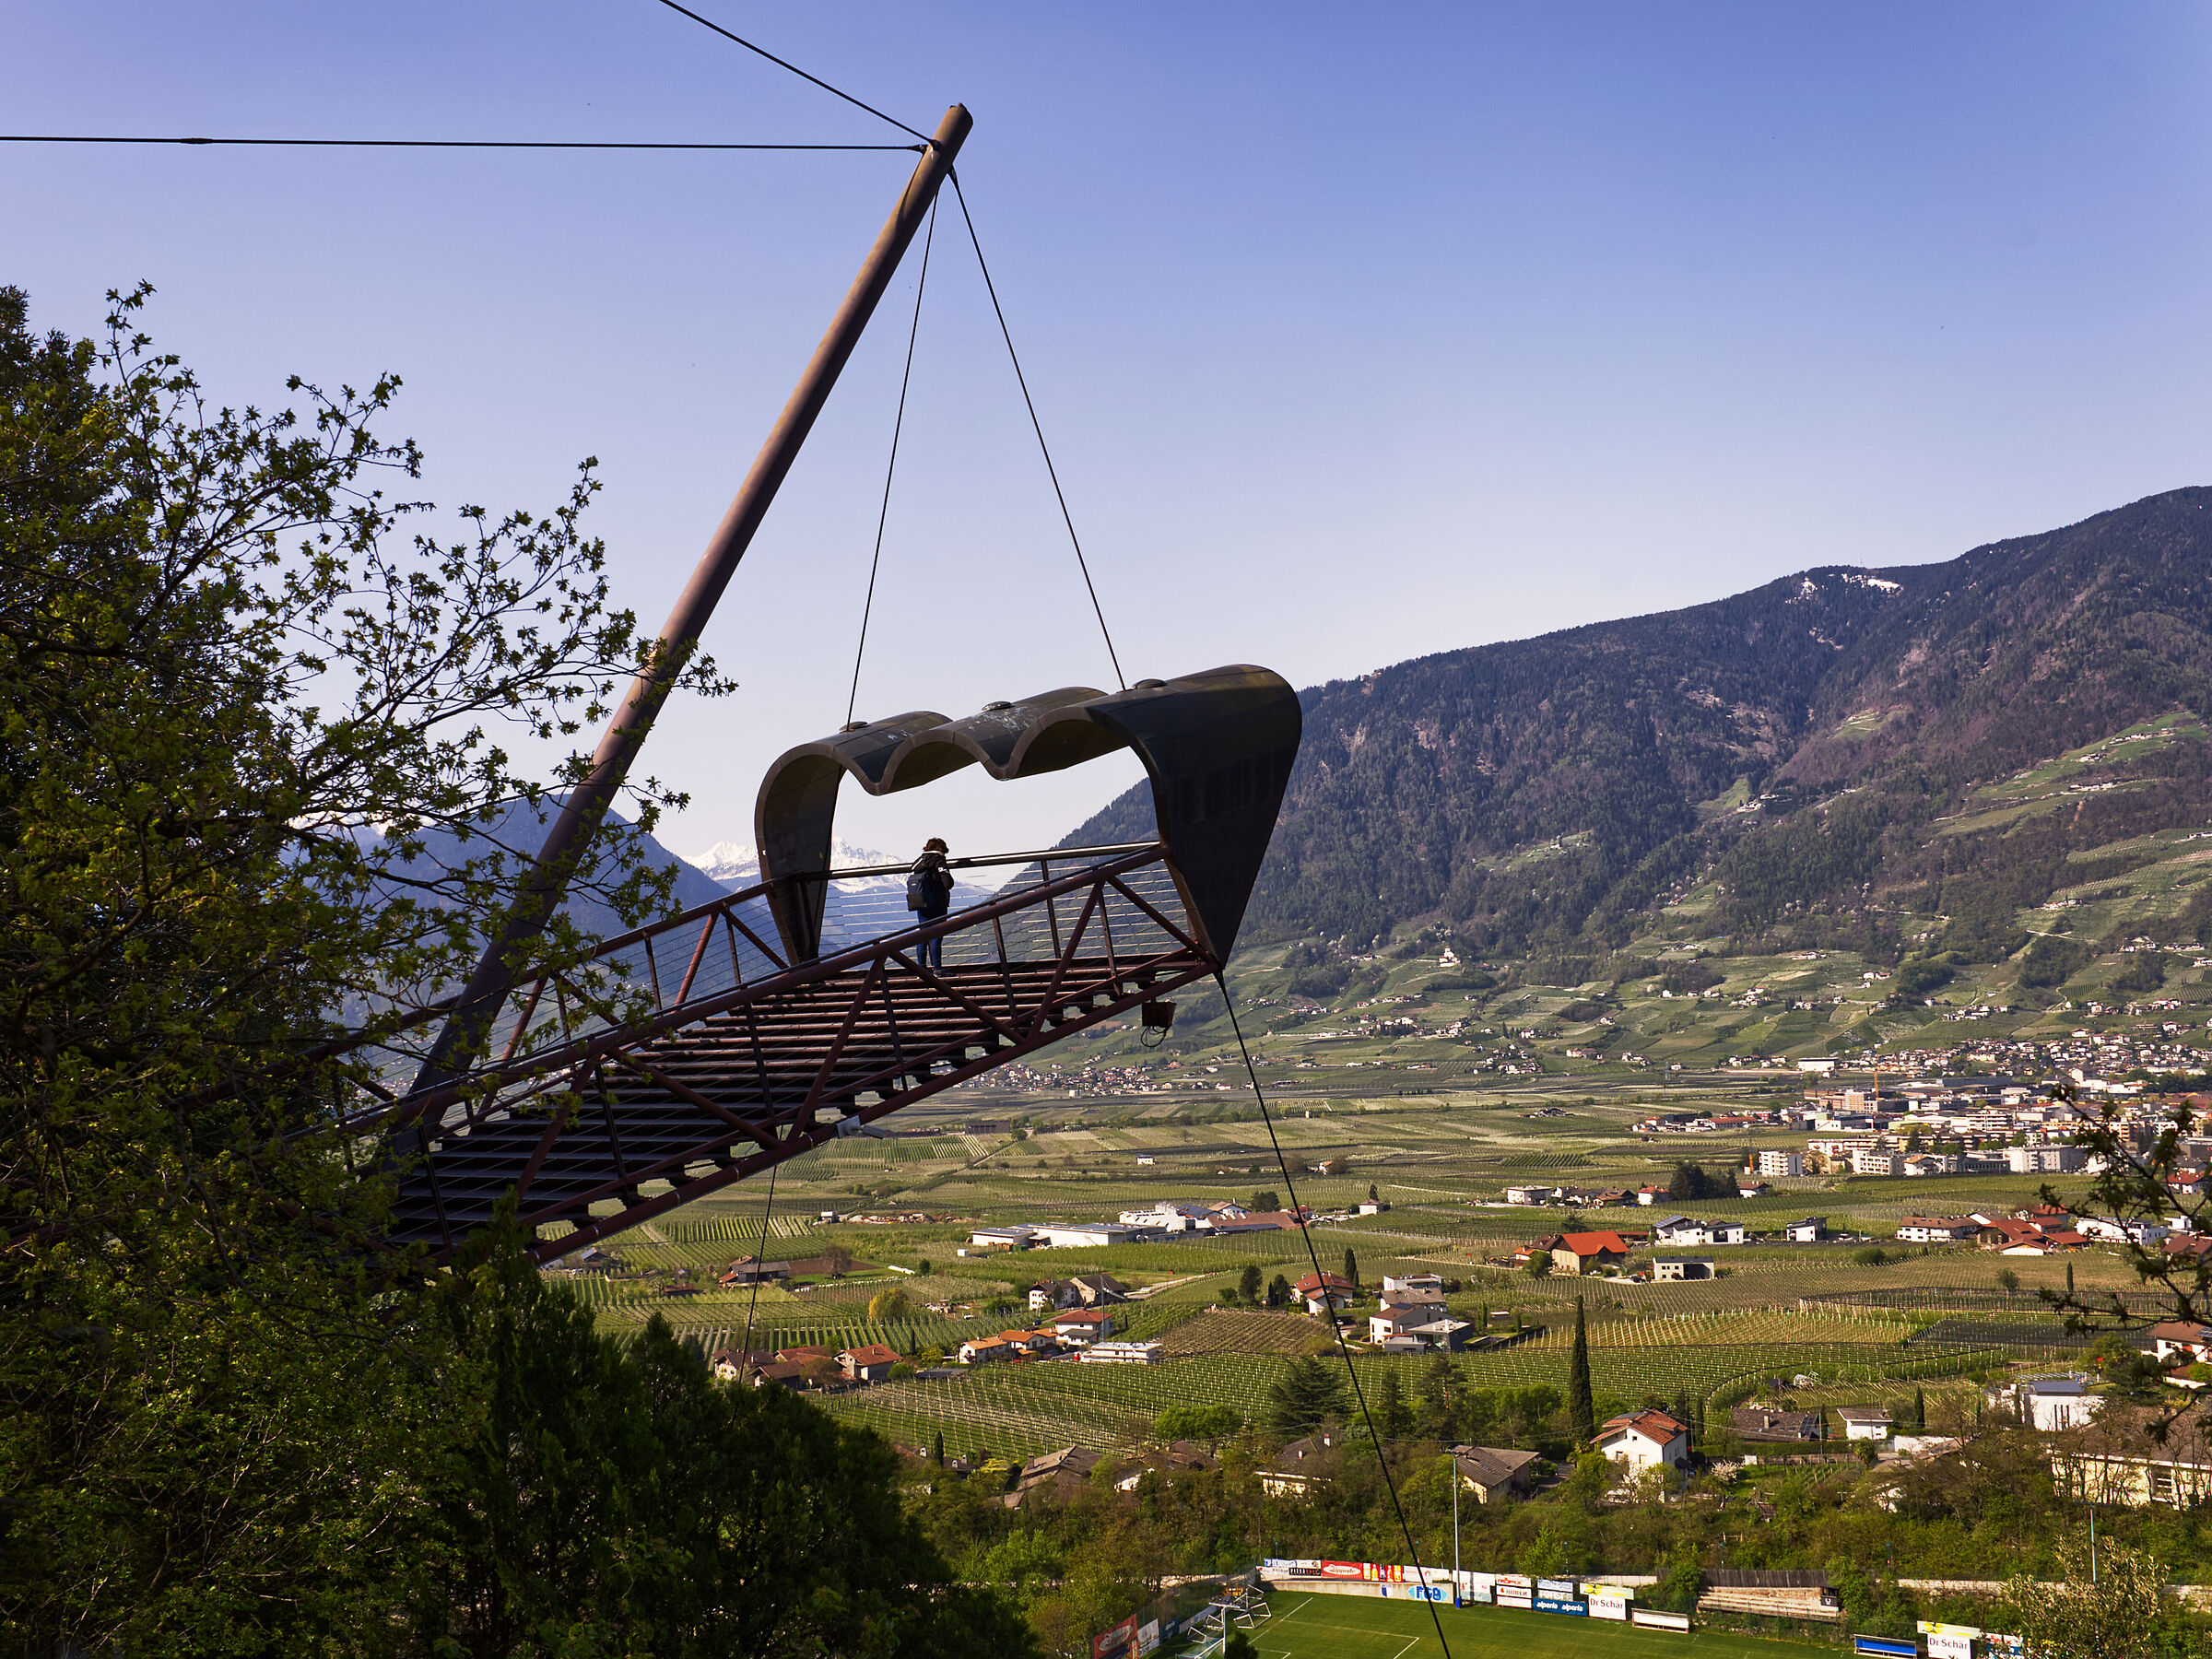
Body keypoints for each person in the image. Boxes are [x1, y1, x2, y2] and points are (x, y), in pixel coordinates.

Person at [908, 837, 954, 968]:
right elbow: (948, 883)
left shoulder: (920, 861)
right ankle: (937, 969)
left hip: (921, 902)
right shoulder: (939, 860)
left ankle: (921, 969)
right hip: (938, 903)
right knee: (936, 936)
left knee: (923, 935)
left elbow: (912, 869)